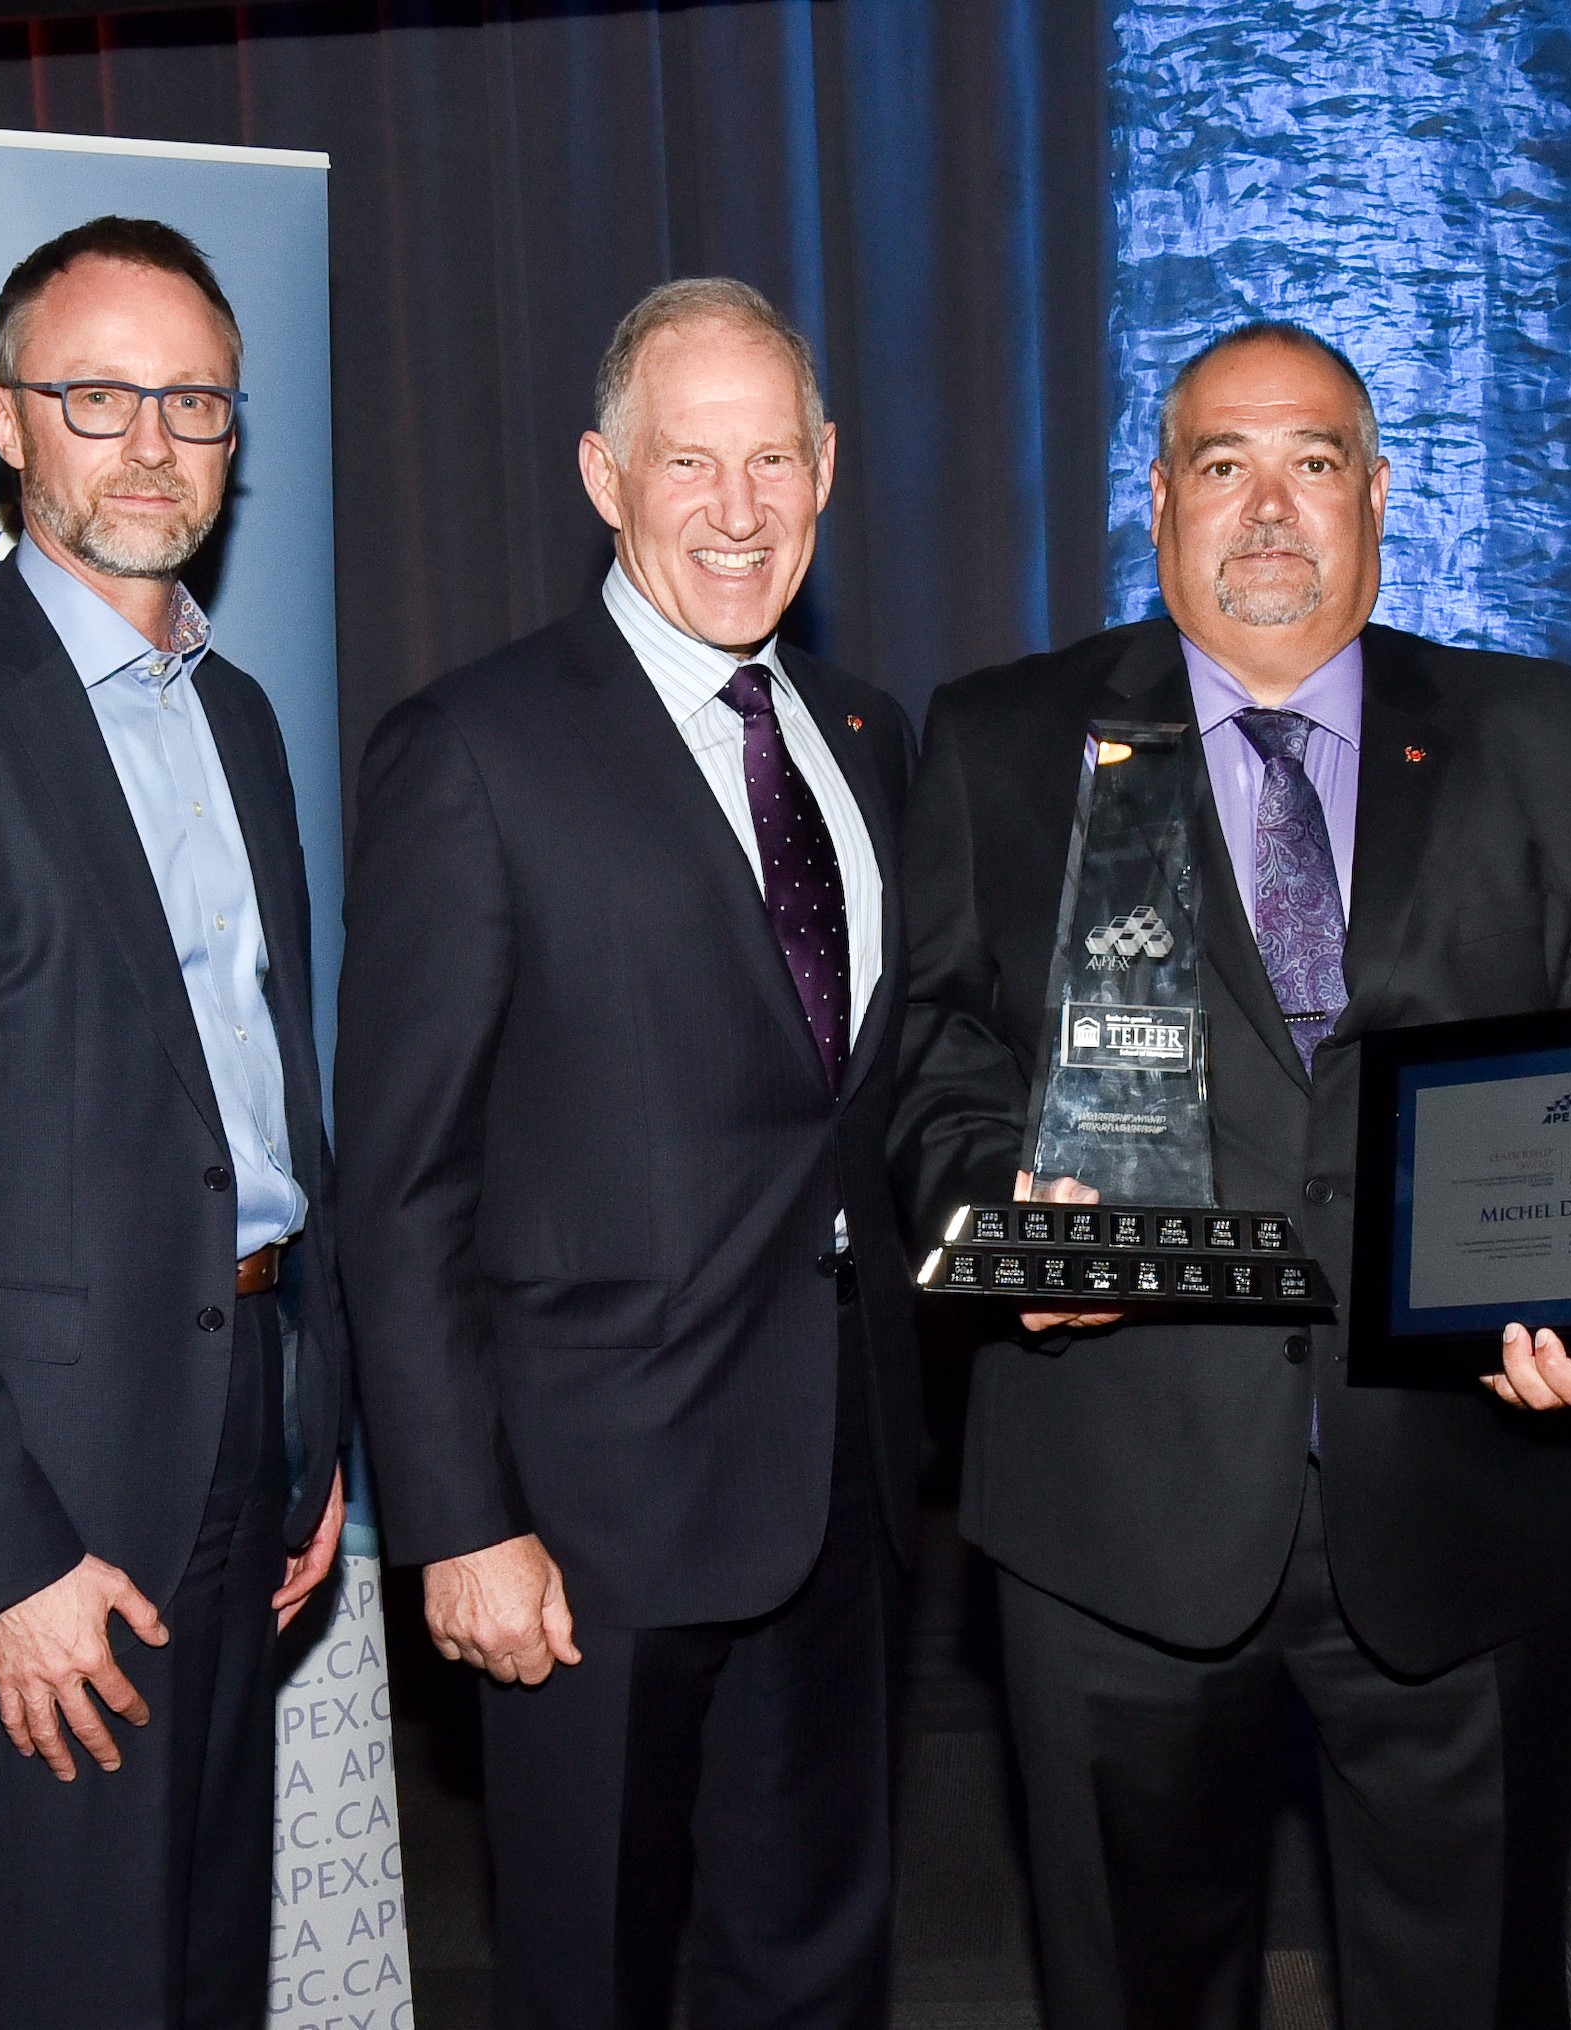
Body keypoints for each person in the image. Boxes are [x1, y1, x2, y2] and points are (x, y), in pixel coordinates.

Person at [895, 322, 1571, 2028]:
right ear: (1158, 497)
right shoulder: (1001, 741)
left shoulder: (1566, 744)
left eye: (1312, 461)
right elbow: (939, 1051)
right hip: (1117, 1507)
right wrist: (1004, 1210)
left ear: (1380, 495)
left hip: (1469, 1495)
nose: (1268, 507)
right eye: (1224, 464)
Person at [0, 217, 350, 2030]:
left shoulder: (239, 716)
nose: (154, 440)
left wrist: (310, 1419)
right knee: (89, 1985)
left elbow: (267, 1098)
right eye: (101, 396)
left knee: (205, 1968)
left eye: (194, 400)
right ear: (9, 422)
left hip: (242, 1420)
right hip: (46, 1469)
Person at [341, 277, 919, 2030]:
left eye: (772, 460)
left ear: (825, 469)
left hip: (845, 1490)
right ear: (605, 474)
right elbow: (401, 1175)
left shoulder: (867, 734)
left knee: (813, 1963)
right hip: (586, 1530)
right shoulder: (475, 750)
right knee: (587, 1975)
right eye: (689, 460)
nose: (737, 510)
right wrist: (458, 1518)